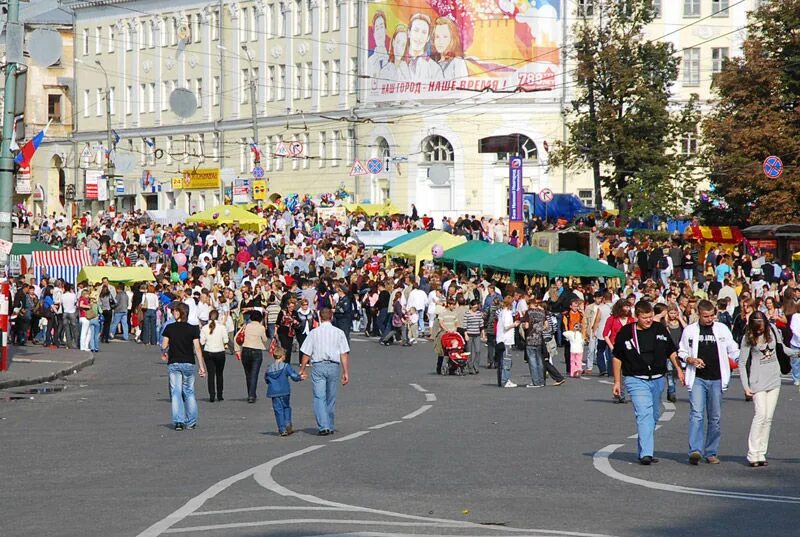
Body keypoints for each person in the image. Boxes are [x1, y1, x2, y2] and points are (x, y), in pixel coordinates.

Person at [612, 300, 684, 464]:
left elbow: (671, 351)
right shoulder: (626, 333)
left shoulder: (659, 329)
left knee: (654, 415)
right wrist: (617, 382)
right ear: (637, 316)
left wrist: (679, 369)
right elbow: (617, 358)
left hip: (658, 378)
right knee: (644, 413)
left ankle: (644, 447)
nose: (649, 320)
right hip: (636, 379)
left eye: (651, 317)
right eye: (645, 318)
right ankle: (646, 453)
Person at [678, 299, 740, 465]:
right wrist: (690, 359)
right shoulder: (690, 330)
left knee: (715, 417)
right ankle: (695, 450)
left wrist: (741, 359)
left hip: (717, 378)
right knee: (697, 414)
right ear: (699, 314)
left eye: (712, 315)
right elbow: (682, 350)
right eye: (706, 316)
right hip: (698, 377)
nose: (710, 319)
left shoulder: (721, 329)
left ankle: (711, 451)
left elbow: (733, 349)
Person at [739, 312, 798, 467]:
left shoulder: (772, 329)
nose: (759, 331)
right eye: (756, 329)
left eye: (761, 328)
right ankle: (752, 453)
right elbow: (742, 363)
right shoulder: (747, 337)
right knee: (760, 415)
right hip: (757, 380)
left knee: (769, 418)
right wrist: (746, 387)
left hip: (773, 378)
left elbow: (782, 348)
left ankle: (761, 453)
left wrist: (796, 353)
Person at [299, 308, 351, 436]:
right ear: (331, 317)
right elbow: (344, 353)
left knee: (319, 396)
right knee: (331, 397)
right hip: (333, 365)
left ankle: (323, 426)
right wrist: (346, 372)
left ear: (320, 318)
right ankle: (330, 424)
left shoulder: (314, 333)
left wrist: (302, 369)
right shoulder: (339, 333)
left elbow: (306, 352)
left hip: (318, 365)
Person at [161, 301, 207, 431]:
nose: (173, 313)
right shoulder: (192, 328)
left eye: (175, 311)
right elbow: (197, 348)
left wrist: (166, 350)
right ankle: (191, 422)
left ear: (180, 312)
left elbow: (164, 345)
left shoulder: (169, 328)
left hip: (174, 362)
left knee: (176, 393)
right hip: (188, 362)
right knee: (189, 392)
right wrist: (201, 366)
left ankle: (178, 421)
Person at [265, 345, 303, 437]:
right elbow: (293, 375)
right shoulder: (285, 366)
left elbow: (266, 380)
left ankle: (282, 429)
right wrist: (299, 377)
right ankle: (287, 424)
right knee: (286, 407)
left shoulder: (269, 368)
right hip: (284, 390)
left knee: (278, 410)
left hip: (273, 392)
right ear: (282, 356)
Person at [603, 299, 635, 403]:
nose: (627, 309)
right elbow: (605, 334)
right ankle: (619, 393)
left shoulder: (631, 320)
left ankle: (623, 393)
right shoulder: (612, 319)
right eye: (625, 306)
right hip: (615, 347)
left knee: (627, 372)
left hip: (629, 348)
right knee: (618, 372)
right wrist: (611, 347)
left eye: (628, 307)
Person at [234, 309, 269, 403]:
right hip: (257, 351)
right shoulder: (261, 328)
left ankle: (251, 393)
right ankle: (252, 395)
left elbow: (236, 337)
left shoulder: (246, 326)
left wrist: (237, 350)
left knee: (248, 374)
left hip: (245, 350)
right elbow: (265, 340)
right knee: (254, 374)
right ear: (260, 319)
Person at [200, 309, 229, 402]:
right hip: (220, 352)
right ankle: (220, 395)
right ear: (218, 317)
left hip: (208, 352)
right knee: (219, 374)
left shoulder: (204, 328)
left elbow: (202, 341)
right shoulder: (222, 327)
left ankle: (212, 395)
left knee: (211, 374)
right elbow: (226, 340)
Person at [495, 296, 519, 388]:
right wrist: (514, 324)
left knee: (502, 360)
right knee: (507, 361)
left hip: (501, 339)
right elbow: (506, 326)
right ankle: (505, 380)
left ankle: (502, 379)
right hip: (506, 340)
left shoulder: (501, 312)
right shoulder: (507, 313)